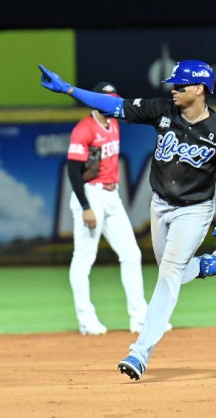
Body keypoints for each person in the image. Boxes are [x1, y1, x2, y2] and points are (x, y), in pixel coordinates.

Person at [39, 60, 216, 381]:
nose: (174, 89)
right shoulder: (162, 111)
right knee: (174, 272)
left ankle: (140, 352)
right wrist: (69, 89)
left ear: (200, 89)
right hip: (159, 205)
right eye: (173, 84)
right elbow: (113, 106)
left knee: (168, 274)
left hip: (195, 210)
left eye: (180, 85)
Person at [66, 81, 154, 336]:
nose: (109, 103)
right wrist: (85, 207)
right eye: (105, 99)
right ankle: (86, 320)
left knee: (131, 254)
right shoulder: (84, 129)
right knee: (84, 258)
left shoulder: (114, 124)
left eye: (113, 99)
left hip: (112, 196)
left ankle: (140, 319)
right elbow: (73, 169)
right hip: (90, 194)